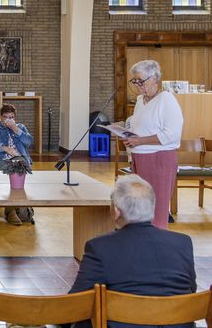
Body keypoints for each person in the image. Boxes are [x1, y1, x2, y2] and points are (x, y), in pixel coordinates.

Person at [69, 175, 195, 328]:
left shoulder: (100, 247)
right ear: (151, 208)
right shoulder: (183, 243)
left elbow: (73, 305)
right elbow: (190, 291)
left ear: (116, 212)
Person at [124, 59, 183, 229]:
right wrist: (129, 136)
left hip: (159, 160)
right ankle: (142, 242)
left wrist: (140, 140)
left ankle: (157, 243)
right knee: (140, 206)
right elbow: (139, 128)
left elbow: (172, 134)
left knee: (157, 206)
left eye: (141, 81)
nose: (137, 85)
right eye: (134, 81)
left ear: (155, 78)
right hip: (139, 158)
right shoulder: (140, 100)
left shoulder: (167, 100)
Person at [0, 104, 35, 225]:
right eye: (5, 117)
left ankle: (16, 210)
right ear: (0, 116)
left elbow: (29, 142)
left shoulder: (20, 127)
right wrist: (4, 148)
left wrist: (16, 129)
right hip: (1, 161)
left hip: (20, 161)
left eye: (11, 117)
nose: (8, 120)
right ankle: (13, 212)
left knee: (19, 164)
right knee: (16, 168)